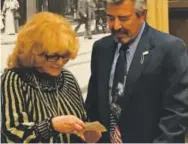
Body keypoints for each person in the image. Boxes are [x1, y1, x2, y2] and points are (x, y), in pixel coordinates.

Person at [85, 0, 188, 143]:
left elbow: (176, 115)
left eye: (123, 18)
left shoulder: (170, 49)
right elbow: (93, 104)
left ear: (142, 15)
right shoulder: (101, 48)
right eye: (110, 18)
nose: (116, 26)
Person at [1, 12, 101, 143]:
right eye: (52, 56)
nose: (60, 62)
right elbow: (13, 131)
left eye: (64, 55)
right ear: (32, 52)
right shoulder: (14, 79)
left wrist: (88, 132)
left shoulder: (67, 77)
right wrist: (51, 126)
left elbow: (83, 119)